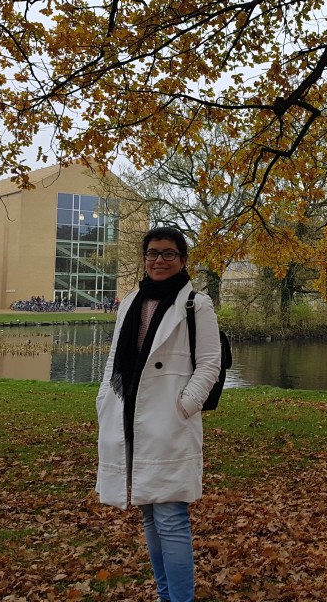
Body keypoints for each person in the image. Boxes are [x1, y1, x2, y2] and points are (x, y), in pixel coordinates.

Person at [95, 226, 222, 602]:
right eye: (152, 253)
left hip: (168, 422)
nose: (159, 260)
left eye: (168, 254)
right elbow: (114, 361)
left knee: (170, 516)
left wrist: (184, 405)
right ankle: (166, 595)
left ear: (182, 260)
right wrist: (105, 398)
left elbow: (210, 364)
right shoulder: (133, 300)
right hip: (130, 416)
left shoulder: (196, 304)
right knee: (150, 513)